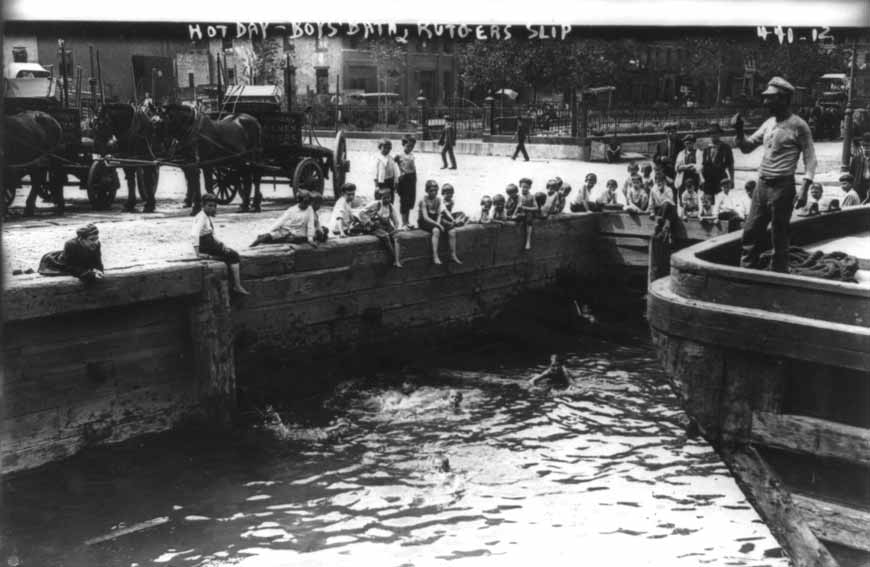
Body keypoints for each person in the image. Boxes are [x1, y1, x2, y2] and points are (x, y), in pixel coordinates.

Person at [733, 76, 817, 272]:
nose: (765, 102)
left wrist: (804, 188)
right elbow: (746, 147)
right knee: (751, 230)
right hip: (762, 185)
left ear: (783, 99)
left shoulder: (799, 125)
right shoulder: (768, 123)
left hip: (782, 187)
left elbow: (810, 158)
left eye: (770, 98)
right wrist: (739, 130)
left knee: (779, 235)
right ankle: (746, 272)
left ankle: (778, 275)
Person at [191, 194, 249, 295]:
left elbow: (212, 234)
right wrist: (197, 252)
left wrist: (221, 244)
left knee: (227, 255)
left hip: (210, 242)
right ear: (203, 206)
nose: (212, 208)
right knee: (234, 255)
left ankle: (232, 282)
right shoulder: (201, 218)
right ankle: (237, 285)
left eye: (214, 206)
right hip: (207, 244)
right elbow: (194, 234)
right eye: (209, 206)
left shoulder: (205, 216)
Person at [38, 223, 105, 283]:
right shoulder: (70, 244)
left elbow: (97, 261)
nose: (96, 242)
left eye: (97, 238)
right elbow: (69, 266)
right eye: (92, 239)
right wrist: (87, 273)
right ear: (81, 239)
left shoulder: (96, 244)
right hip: (61, 263)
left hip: (79, 261)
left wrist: (99, 270)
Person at [250, 190, 318, 247]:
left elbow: (310, 225)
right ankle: (250, 248)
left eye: (308, 203)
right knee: (265, 237)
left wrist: (310, 239)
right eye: (305, 203)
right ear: (300, 202)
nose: (306, 205)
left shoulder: (309, 210)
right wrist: (271, 231)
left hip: (297, 234)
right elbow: (281, 220)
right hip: (285, 231)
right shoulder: (292, 210)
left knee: (293, 239)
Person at [417, 179, 461, 264]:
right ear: (427, 191)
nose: (433, 193)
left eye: (435, 191)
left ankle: (453, 254)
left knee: (452, 230)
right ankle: (435, 255)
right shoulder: (423, 201)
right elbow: (425, 218)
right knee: (436, 231)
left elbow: (439, 214)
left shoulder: (438, 200)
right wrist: (438, 225)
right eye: (431, 191)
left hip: (434, 219)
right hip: (425, 221)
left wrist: (440, 223)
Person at [360, 188, 404, 268]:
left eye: (389, 198)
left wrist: (396, 227)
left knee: (397, 237)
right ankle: (394, 258)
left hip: (387, 226)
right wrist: (369, 222)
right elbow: (361, 212)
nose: (387, 200)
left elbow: (396, 220)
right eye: (384, 198)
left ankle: (397, 260)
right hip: (376, 226)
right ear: (380, 198)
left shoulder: (390, 207)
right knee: (386, 236)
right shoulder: (376, 204)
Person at [702, 123, 735, 199]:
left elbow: (730, 165)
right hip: (709, 181)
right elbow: (702, 166)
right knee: (708, 203)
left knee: (722, 202)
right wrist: (702, 180)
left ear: (720, 134)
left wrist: (732, 180)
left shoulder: (726, 148)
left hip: (721, 180)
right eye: (712, 133)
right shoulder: (706, 148)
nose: (714, 135)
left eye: (716, 133)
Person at [395, 135, 417, 228]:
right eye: (408, 146)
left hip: (412, 178)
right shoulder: (399, 155)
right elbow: (394, 166)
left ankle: (407, 221)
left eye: (412, 146)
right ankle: (404, 223)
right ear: (403, 145)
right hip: (404, 179)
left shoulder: (412, 155)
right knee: (404, 201)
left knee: (410, 201)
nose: (410, 148)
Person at [515, 178, 539, 250]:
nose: (524, 189)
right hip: (520, 214)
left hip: (528, 214)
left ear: (529, 187)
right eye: (523, 187)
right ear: (520, 186)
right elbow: (516, 206)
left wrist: (525, 208)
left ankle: (528, 241)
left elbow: (536, 208)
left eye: (526, 187)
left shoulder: (531, 196)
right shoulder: (519, 196)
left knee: (529, 220)